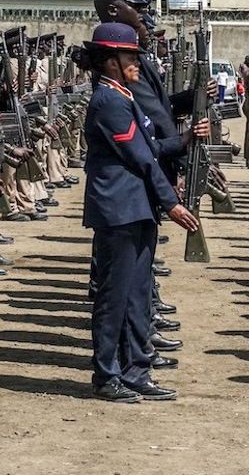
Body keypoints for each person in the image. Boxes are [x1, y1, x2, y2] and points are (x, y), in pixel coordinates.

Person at [79, 23, 199, 403]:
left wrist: (185, 139)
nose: (137, 63)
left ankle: (136, 370)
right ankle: (107, 375)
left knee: (138, 295)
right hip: (119, 211)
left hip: (135, 208)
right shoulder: (108, 101)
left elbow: (152, 146)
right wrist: (173, 204)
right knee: (115, 297)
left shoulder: (122, 96)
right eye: (131, 57)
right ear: (111, 62)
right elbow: (143, 160)